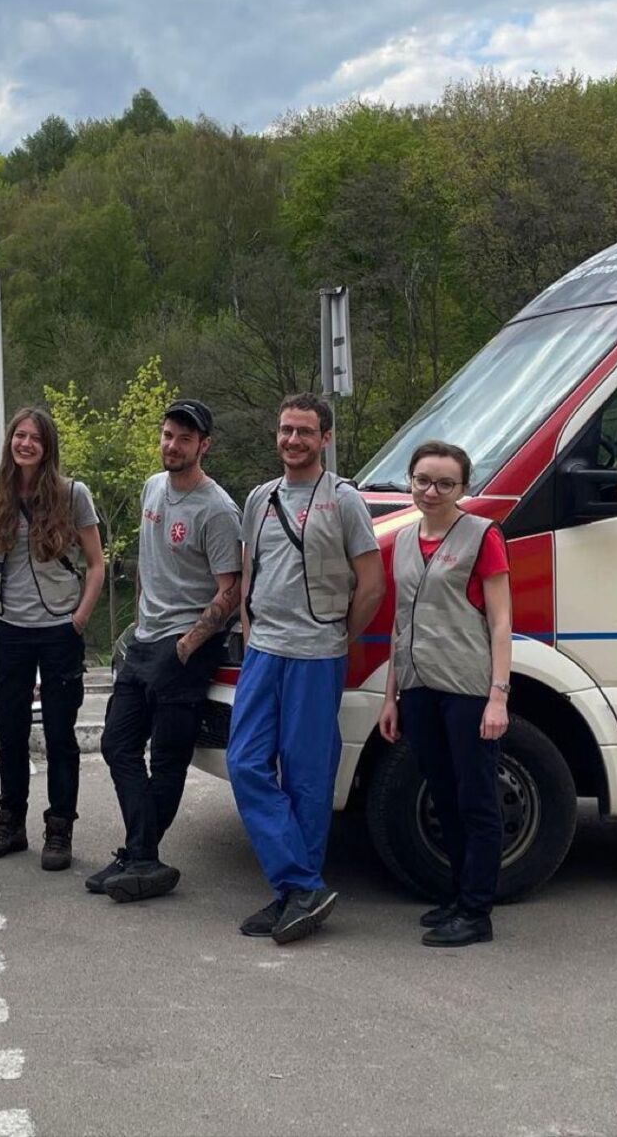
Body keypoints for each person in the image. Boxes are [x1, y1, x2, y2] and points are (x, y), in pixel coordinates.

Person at [228, 393, 384, 944]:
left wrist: (341, 636)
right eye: (285, 430)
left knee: (306, 778)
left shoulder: (344, 501)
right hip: (265, 650)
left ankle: (295, 892)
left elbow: (371, 583)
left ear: (325, 439)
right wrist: (249, 633)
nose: (292, 440)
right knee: (245, 763)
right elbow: (251, 574)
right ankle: (301, 884)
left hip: (317, 654)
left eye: (304, 432)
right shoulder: (259, 498)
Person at [92, 398, 242, 903]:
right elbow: (148, 564)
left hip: (184, 647)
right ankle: (140, 853)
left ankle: (139, 856)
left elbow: (231, 589)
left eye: (183, 437)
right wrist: (138, 623)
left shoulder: (217, 509)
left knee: (169, 757)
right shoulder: (153, 487)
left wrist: (186, 645)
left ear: (204, 445)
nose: (172, 445)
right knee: (117, 743)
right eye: (167, 434)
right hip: (144, 637)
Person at [376, 439, 512, 947]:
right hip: (419, 688)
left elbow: (501, 622)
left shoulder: (482, 536)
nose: (431, 491)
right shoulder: (406, 539)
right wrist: (391, 696)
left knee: (476, 799)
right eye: (423, 480)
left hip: (468, 688)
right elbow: (399, 623)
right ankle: (457, 896)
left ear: (463, 488)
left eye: (444, 483)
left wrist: (498, 696)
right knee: (444, 794)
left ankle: (477, 911)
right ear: (410, 481)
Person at [0, 407, 105, 871]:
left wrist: (79, 618)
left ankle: (60, 827)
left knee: (58, 733)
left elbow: (95, 562)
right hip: (10, 630)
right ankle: (10, 822)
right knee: (8, 733)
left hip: (58, 630)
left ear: (47, 446)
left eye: (35, 438)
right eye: (19, 436)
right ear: (10, 442)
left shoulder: (72, 495)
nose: (25, 444)